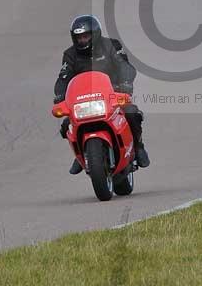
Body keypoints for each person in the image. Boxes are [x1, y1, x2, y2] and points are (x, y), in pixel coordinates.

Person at [54, 14, 150, 174]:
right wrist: (59, 95)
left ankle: (139, 148)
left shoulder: (111, 45)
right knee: (67, 125)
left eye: (86, 36)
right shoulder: (70, 54)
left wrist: (125, 83)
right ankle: (82, 154)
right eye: (79, 37)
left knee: (131, 113)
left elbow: (124, 66)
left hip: (111, 94)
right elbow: (63, 77)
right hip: (83, 100)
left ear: (95, 34)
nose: (82, 40)